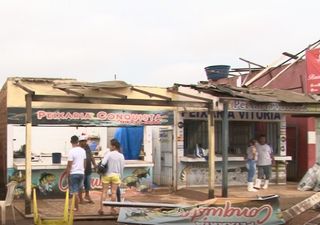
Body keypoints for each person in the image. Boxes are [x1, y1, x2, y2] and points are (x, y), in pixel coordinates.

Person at [98, 138, 125, 215]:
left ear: (114, 146)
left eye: (110, 145)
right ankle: (112, 209)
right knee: (113, 193)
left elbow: (103, 163)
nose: (110, 147)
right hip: (116, 175)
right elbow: (122, 167)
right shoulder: (121, 155)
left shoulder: (108, 154)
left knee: (104, 192)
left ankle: (101, 209)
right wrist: (121, 177)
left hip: (106, 175)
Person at [65, 135, 86, 211]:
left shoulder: (71, 151)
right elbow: (84, 163)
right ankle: (76, 206)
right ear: (78, 142)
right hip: (81, 173)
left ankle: (75, 207)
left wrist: (67, 175)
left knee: (74, 192)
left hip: (74, 173)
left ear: (71, 142)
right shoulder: (83, 151)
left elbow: (69, 165)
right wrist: (83, 171)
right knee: (78, 189)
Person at [78, 134, 97, 204]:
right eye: (82, 141)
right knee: (80, 186)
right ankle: (80, 199)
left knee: (88, 185)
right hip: (81, 170)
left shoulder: (87, 147)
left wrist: (95, 164)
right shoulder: (78, 149)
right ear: (79, 142)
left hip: (88, 170)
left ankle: (87, 195)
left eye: (85, 141)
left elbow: (91, 156)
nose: (84, 142)